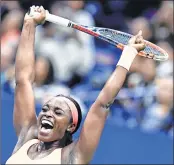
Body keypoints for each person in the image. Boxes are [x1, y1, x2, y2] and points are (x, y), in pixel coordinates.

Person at [6, 6, 145, 164]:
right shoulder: (28, 136)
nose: (47, 113)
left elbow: (101, 105)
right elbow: (23, 80)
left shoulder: (71, 156)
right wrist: (29, 24)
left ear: (71, 126)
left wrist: (128, 54)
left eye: (58, 112)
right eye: (45, 109)